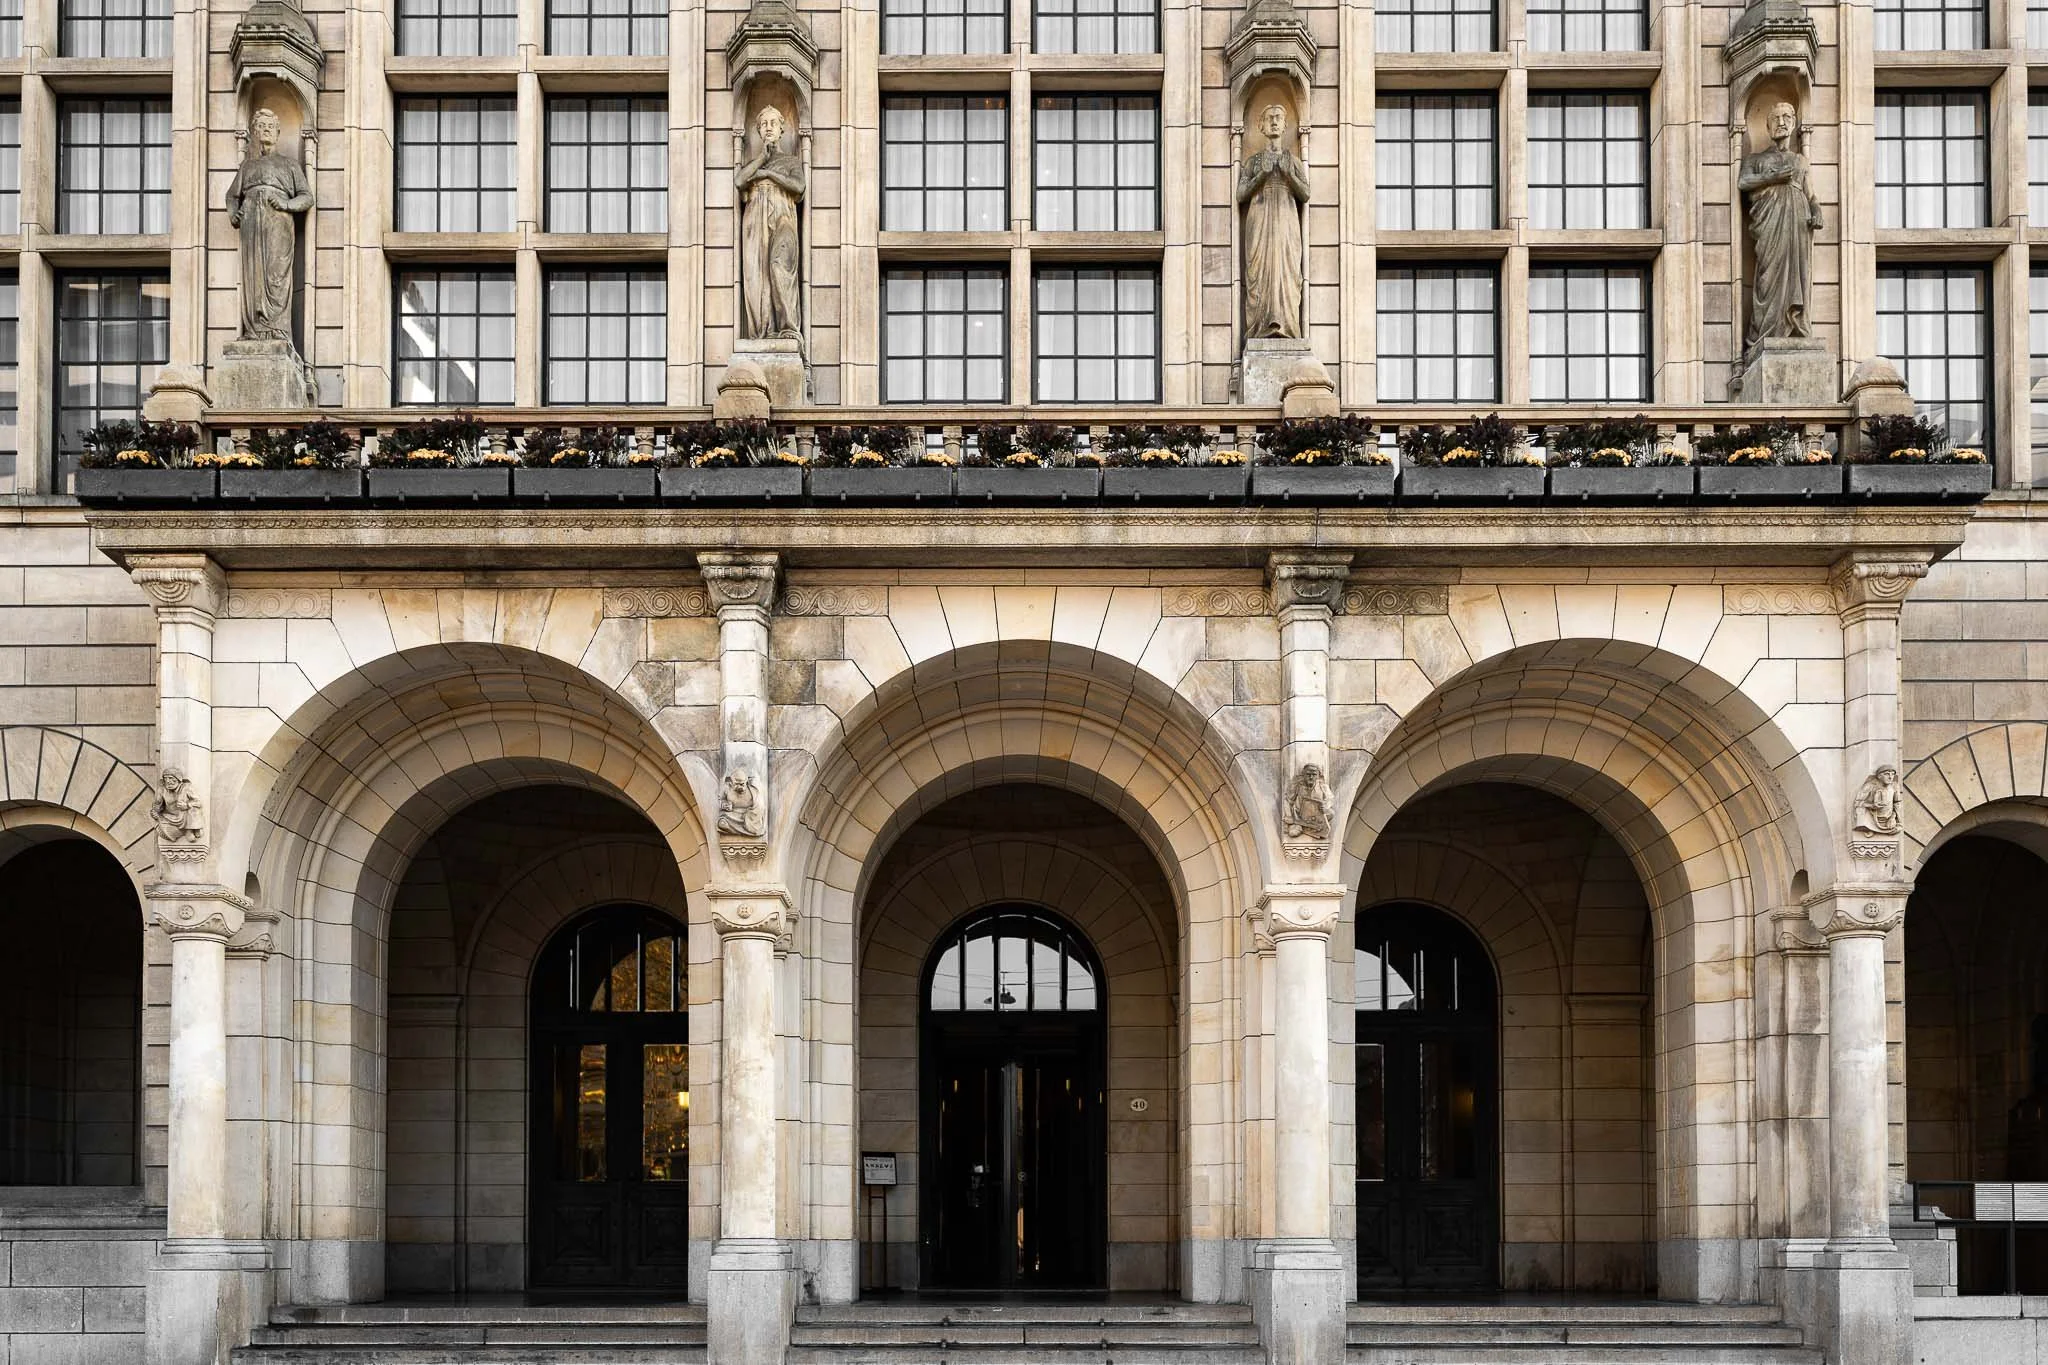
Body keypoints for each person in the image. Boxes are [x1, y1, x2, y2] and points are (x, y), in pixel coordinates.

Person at [225, 108, 314, 345]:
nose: (265, 131)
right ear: (254, 132)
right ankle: (255, 329)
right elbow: (232, 196)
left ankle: (278, 329)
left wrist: (285, 203)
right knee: (254, 275)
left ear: (277, 132)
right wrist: (235, 214)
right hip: (252, 225)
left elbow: (307, 197)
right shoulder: (247, 166)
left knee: (276, 276)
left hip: (279, 225)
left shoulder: (290, 165)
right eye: (261, 127)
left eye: (269, 127)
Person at [1237, 103, 1311, 341]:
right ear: (1260, 125)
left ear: (1285, 124)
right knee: (1259, 273)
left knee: (1288, 271)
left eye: (1279, 117)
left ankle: (1287, 326)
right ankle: (1260, 328)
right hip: (1259, 220)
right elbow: (1240, 195)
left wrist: (1288, 174)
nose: (1274, 121)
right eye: (1269, 117)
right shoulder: (1253, 162)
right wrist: (1262, 175)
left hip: (1287, 222)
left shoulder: (1294, 161)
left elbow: (1306, 194)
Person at [737, 106, 806, 341]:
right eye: (763, 124)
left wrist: (768, 175)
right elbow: (739, 181)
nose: (768, 128)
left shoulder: (790, 161)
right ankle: (763, 332)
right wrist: (761, 160)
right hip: (755, 218)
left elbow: (798, 187)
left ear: (781, 129)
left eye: (773, 124)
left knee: (779, 266)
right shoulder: (756, 163)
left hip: (782, 216)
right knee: (757, 276)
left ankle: (788, 329)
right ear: (757, 131)